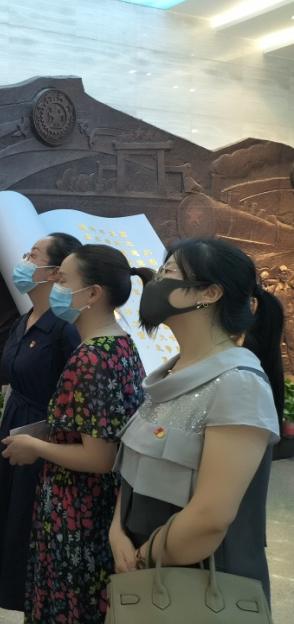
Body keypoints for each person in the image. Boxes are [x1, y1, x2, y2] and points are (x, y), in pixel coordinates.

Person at [109, 238, 283, 608]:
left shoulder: (238, 384)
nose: (154, 282)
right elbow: (135, 472)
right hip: (147, 577)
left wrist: (141, 559)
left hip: (199, 587)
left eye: (168, 273)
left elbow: (210, 517)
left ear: (210, 293)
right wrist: (117, 533)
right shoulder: (171, 375)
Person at [2, 244, 152, 624]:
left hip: (76, 513)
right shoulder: (119, 344)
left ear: (92, 294)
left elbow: (99, 457)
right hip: (97, 507)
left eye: (64, 280)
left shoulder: (92, 358)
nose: (56, 287)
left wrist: (35, 446)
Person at [0, 232, 82, 612]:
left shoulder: (64, 328)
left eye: (33, 255)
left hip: (44, 442)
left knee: (31, 526)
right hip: (16, 429)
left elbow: (75, 397)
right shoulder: (24, 320)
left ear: (56, 271)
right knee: (12, 521)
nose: (24, 261)